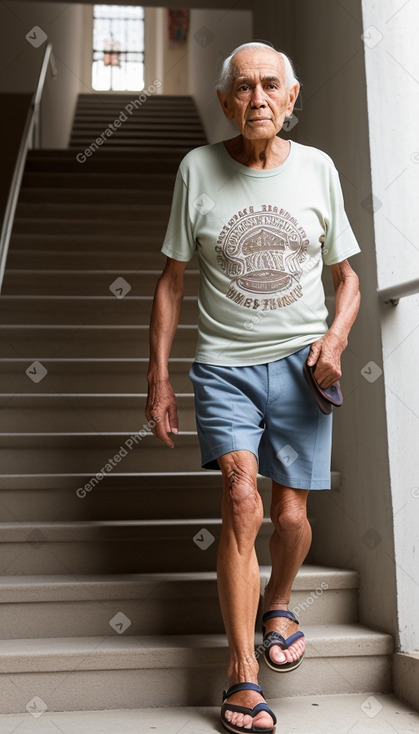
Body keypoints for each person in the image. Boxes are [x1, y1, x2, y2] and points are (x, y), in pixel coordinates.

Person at [146, 41, 361, 734]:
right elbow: (172, 281)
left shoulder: (319, 169)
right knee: (241, 499)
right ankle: (242, 671)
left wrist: (333, 341)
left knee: (290, 517)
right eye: (243, 88)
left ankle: (280, 598)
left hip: (302, 365)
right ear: (223, 100)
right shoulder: (197, 169)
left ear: (291, 98)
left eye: (271, 87)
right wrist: (157, 377)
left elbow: (348, 279)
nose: (258, 99)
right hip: (223, 366)